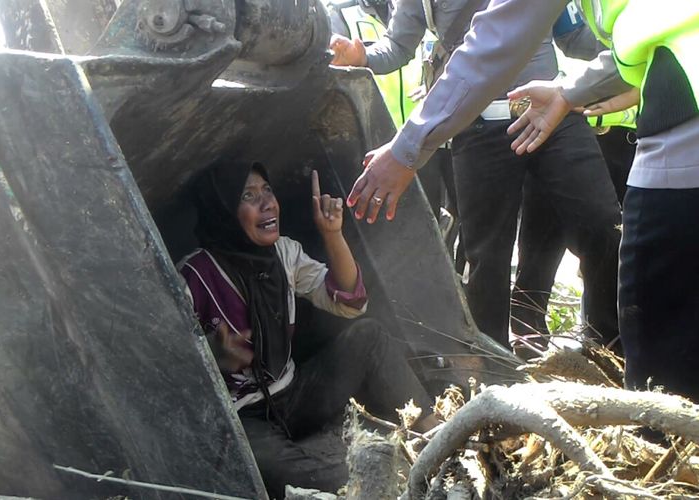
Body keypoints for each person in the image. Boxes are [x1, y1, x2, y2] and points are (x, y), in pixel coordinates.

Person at [330, 0, 621, 348]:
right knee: (486, 260)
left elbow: (575, 37)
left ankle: (608, 349)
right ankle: (492, 371)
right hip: (477, 127)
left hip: (553, 114)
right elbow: (396, 46)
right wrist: (362, 58)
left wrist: (632, 50)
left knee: (604, 228)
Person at [178, 161, 437, 498]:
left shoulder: (282, 253)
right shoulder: (194, 276)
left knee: (368, 336)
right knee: (275, 468)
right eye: (248, 196)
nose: (267, 203)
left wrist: (332, 234)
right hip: (245, 418)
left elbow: (349, 301)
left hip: (295, 393)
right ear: (224, 210)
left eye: (267, 190)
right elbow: (171, 364)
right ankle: (355, 483)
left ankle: (437, 433)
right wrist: (214, 353)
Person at [506, 1, 699, 401]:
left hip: (680, 118)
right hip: (656, 99)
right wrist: (573, 90)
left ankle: (666, 448)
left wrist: (410, 144)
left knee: (655, 353)